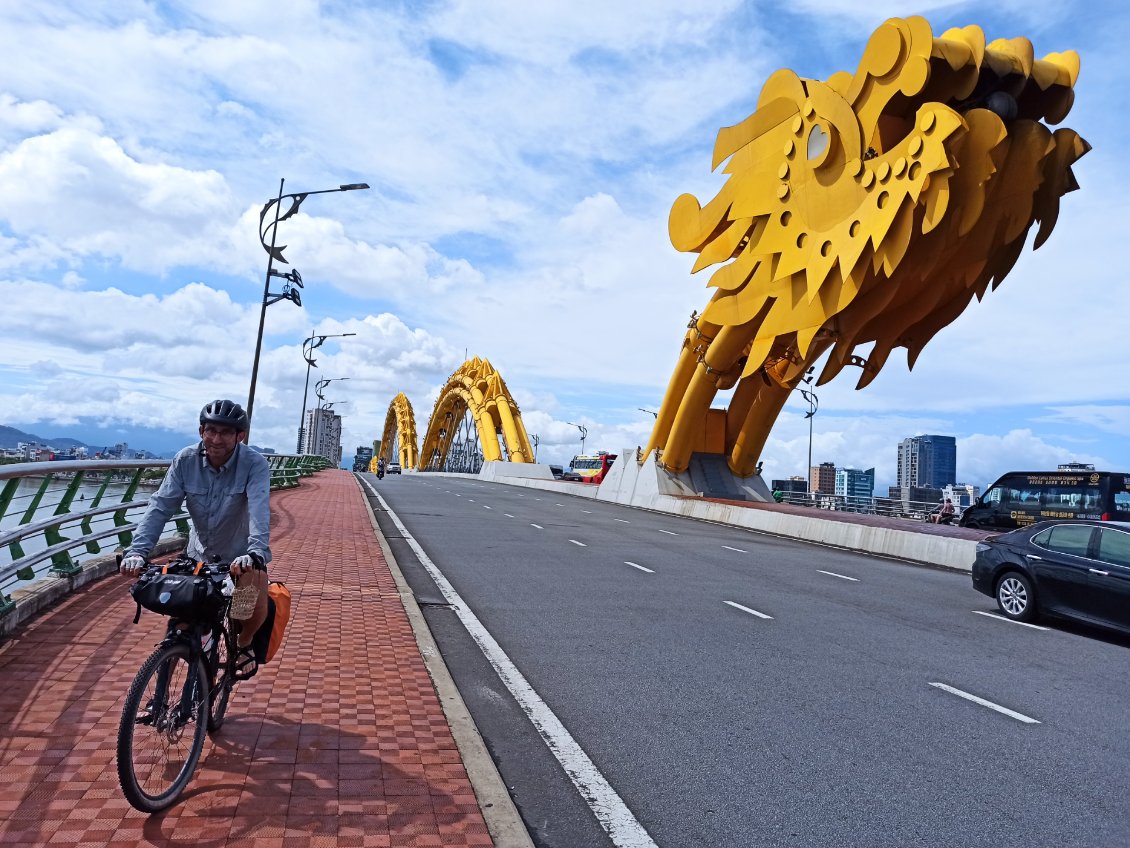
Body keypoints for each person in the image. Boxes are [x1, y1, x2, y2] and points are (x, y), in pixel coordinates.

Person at [120, 399, 272, 655]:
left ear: (240, 436)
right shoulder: (185, 460)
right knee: (182, 617)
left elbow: (259, 510)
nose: (216, 438)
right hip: (198, 556)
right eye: (210, 430)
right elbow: (161, 507)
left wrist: (255, 552)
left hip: (241, 557)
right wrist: (137, 552)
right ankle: (173, 667)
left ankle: (244, 646)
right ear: (201, 431)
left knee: (245, 608)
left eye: (225, 432)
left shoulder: (254, 464)